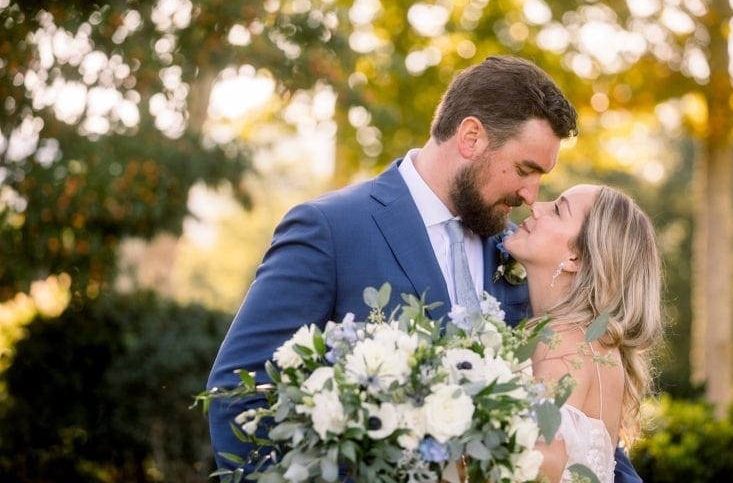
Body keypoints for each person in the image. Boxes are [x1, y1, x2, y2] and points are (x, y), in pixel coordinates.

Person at [206, 56, 641, 481]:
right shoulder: (332, 230)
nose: (532, 195)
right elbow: (239, 392)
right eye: (526, 169)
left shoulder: (520, 251)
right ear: (471, 137)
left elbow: (586, 439)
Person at [503, 184, 663, 483]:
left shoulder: (559, 337)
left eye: (557, 210)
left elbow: (542, 466)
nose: (537, 206)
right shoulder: (597, 344)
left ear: (576, 259)